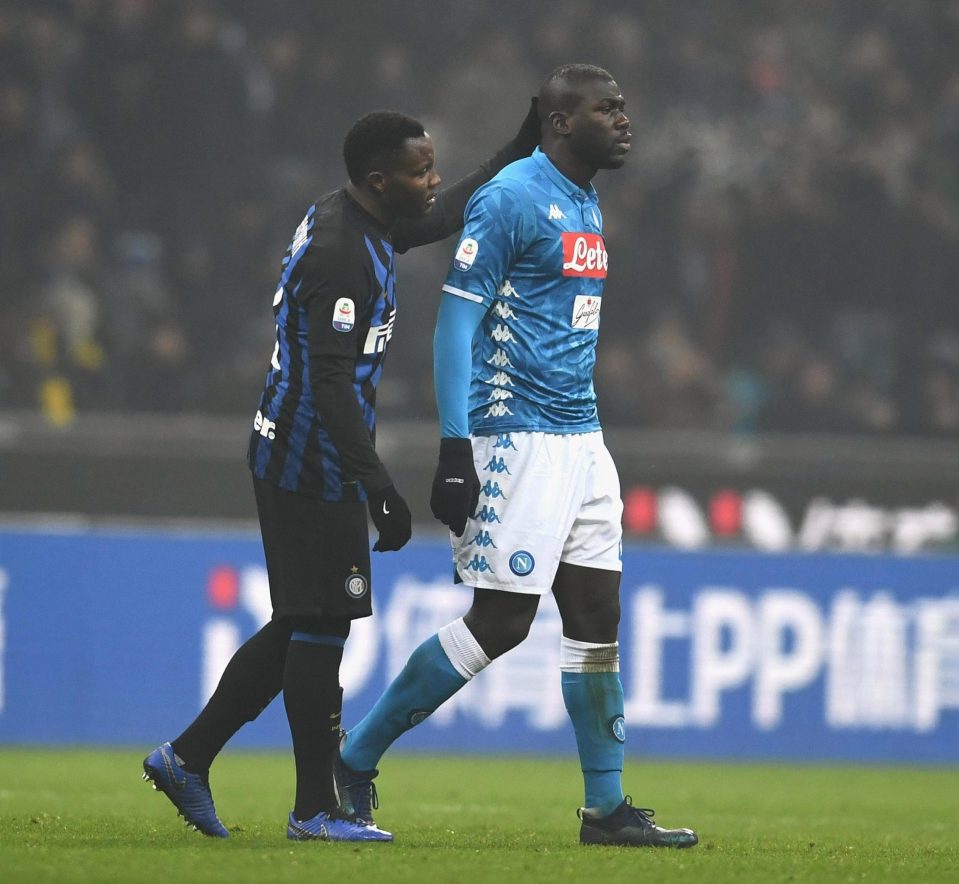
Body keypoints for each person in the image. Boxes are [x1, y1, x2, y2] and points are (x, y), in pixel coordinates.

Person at [142, 102, 540, 843]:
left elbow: (450, 209)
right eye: (420, 170)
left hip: (302, 450)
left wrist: (518, 147)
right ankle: (313, 809)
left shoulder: (361, 218)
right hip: (308, 459)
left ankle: (188, 758)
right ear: (380, 179)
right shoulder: (341, 254)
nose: (434, 179)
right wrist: (377, 485)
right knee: (323, 622)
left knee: (305, 619)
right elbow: (328, 381)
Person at [335, 64, 699, 849]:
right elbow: (454, 325)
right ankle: (353, 757)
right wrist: (455, 448)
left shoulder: (582, 199)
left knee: (596, 615)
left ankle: (604, 810)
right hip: (517, 437)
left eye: (624, 106)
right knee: (501, 621)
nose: (624, 120)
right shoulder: (508, 199)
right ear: (562, 122)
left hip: (583, 440)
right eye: (607, 110)